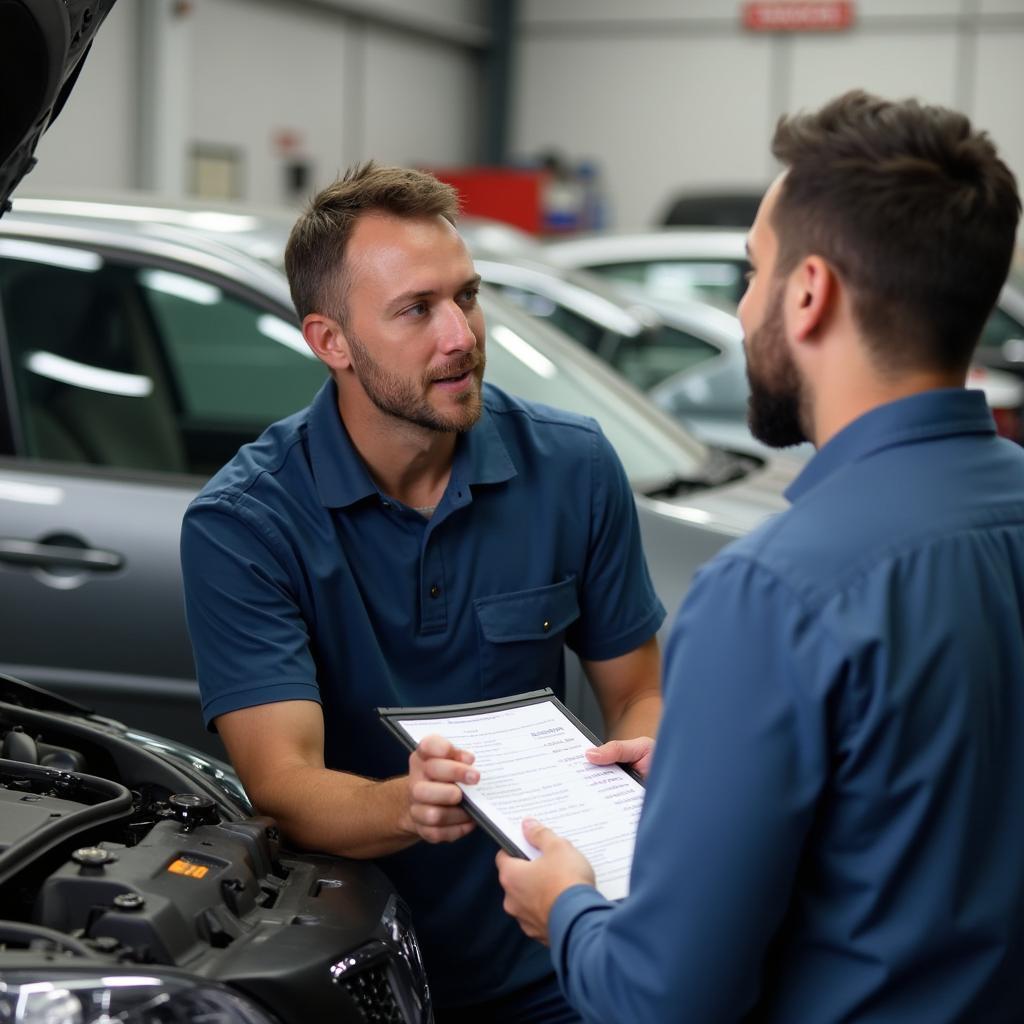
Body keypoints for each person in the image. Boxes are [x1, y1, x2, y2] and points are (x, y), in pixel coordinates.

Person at [497, 89, 1024, 1022]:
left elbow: (666, 998)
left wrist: (567, 910)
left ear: (811, 293)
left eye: (752, 274)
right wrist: (722, 769)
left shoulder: (772, 591)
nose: (743, 314)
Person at [179, 161, 664, 1021]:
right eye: (417, 310)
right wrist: (405, 803)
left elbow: (640, 696)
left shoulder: (575, 467)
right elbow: (283, 781)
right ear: (330, 341)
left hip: (562, 956)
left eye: (466, 297)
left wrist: (644, 762)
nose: (462, 335)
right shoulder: (245, 523)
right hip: (360, 973)